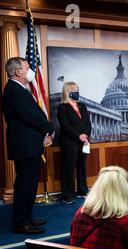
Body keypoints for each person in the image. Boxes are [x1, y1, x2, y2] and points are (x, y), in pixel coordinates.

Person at [1, 57, 54, 235]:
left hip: (28, 144)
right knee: (25, 184)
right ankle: (21, 223)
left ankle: (27, 218)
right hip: (25, 145)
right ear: (18, 72)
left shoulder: (18, 89)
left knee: (29, 184)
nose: (30, 70)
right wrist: (50, 128)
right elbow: (32, 117)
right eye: (27, 67)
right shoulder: (14, 90)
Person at [57, 82, 92, 204]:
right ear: (67, 91)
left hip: (84, 142)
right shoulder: (62, 107)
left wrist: (86, 135)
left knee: (82, 167)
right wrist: (79, 136)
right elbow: (65, 126)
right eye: (73, 89)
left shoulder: (82, 106)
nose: (76, 91)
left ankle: (82, 190)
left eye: (77, 88)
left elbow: (87, 123)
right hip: (69, 142)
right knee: (68, 168)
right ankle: (68, 194)